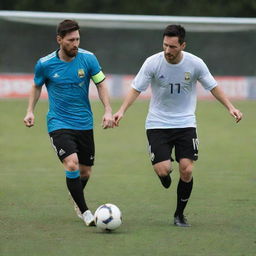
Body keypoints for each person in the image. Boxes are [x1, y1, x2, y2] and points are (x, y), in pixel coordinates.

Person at [113, 24, 243, 227]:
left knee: (187, 170)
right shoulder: (152, 63)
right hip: (157, 123)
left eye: (172, 47)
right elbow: (136, 88)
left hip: (185, 123)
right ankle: (164, 175)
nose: (167, 51)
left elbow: (213, 87)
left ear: (183, 45)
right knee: (164, 170)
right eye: (165, 45)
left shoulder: (195, 63)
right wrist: (121, 110)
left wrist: (231, 107)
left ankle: (179, 215)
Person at [24, 19, 114, 226]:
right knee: (71, 163)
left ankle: (76, 198)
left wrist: (108, 110)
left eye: (78, 39)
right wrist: (30, 111)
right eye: (71, 40)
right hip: (58, 122)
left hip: (84, 123)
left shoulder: (89, 59)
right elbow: (36, 86)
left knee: (85, 171)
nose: (76, 44)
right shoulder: (45, 64)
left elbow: (101, 83)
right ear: (59, 40)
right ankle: (86, 212)